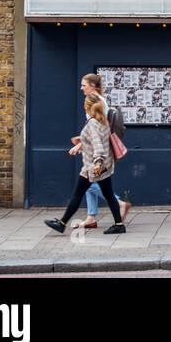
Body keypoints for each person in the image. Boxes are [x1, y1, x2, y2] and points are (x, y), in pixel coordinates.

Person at [43, 96, 125, 235]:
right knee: (109, 194)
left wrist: (97, 163)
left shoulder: (92, 124)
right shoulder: (103, 121)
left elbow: (98, 145)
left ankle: (62, 223)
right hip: (104, 165)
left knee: (77, 194)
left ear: (87, 106)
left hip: (92, 168)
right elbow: (98, 141)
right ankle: (119, 224)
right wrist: (83, 142)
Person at [72, 74, 131, 229]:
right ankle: (91, 217)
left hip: (98, 152)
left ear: (93, 85)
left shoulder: (97, 102)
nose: (81, 88)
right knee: (90, 182)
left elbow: (98, 130)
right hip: (95, 151)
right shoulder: (97, 100)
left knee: (89, 183)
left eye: (84, 85)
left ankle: (119, 204)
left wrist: (80, 145)